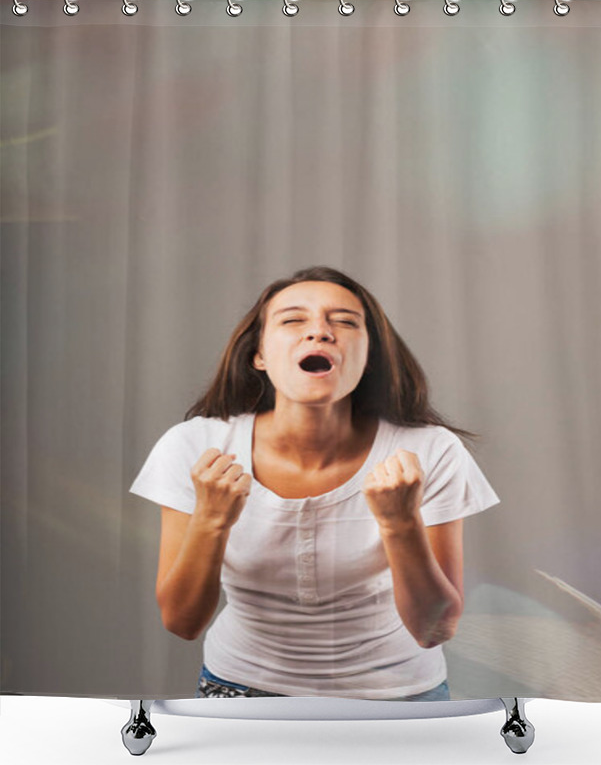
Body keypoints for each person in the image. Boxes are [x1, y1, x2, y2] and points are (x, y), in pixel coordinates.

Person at [129, 265, 500, 701]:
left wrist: (400, 524)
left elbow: (434, 628)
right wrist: (211, 519)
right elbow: (182, 622)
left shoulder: (430, 450)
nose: (319, 332)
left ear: (369, 356)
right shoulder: (197, 445)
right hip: (241, 688)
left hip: (400, 695)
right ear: (259, 355)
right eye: (292, 320)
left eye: (344, 322)